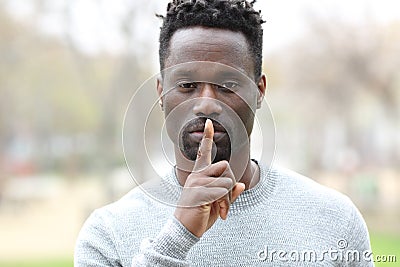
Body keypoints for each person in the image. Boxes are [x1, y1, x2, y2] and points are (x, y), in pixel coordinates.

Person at [74, 0, 374, 266]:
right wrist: (178, 236)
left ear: (259, 92)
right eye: (187, 85)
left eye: (228, 85)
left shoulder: (334, 219)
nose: (206, 103)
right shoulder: (107, 234)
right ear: (161, 93)